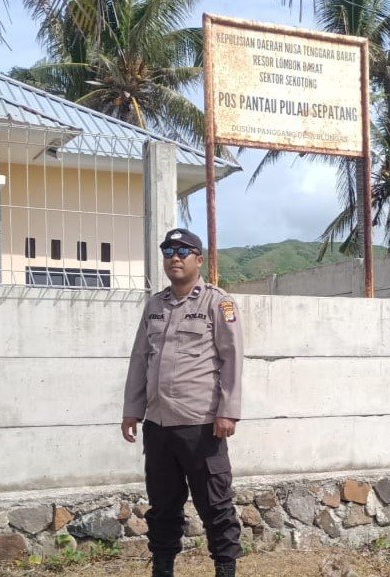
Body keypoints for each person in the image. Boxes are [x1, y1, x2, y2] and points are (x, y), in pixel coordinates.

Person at [121, 228, 244, 577]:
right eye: (168, 251)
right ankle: (162, 568)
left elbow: (232, 359)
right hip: (158, 425)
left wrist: (228, 411)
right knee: (162, 505)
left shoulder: (218, 303)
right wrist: (132, 409)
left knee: (215, 504)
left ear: (198, 259)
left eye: (183, 251)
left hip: (201, 424)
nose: (174, 257)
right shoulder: (155, 305)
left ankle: (225, 568)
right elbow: (139, 358)